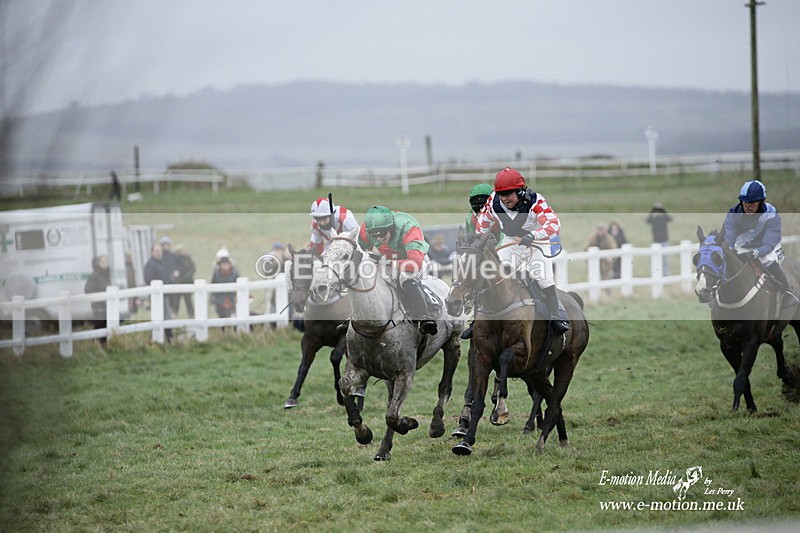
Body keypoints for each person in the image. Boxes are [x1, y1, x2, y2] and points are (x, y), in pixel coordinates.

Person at [475, 167, 569, 334]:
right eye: (501, 194)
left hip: (537, 243)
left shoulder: (536, 201)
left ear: (520, 191)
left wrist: (533, 235)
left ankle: (557, 318)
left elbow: (554, 224)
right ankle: (476, 320)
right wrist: (482, 241)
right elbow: (482, 224)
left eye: (508, 194)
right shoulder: (493, 201)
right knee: (493, 275)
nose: (504, 199)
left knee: (544, 279)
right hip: (511, 242)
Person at [357, 205, 439, 335]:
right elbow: (360, 252)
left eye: (382, 234)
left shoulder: (409, 229)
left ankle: (425, 317)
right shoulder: (366, 230)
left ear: (391, 227)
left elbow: (414, 264)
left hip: (415, 260)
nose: (379, 239)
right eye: (374, 235)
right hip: (388, 260)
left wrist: (387, 262)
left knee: (405, 279)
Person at [723, 179, 797, 306]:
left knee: (768, 260)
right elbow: (729, 237)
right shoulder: (733, 213)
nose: (747, 206)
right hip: (742, 247)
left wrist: (756, 253)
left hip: (766, 248)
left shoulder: (770, 213)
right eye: (745, 202)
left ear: (761, 202)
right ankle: (717, 292)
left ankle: (787, 292)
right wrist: (730, 250)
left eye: (752, 202)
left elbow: (770, 242)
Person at [144, 243, 173, 340]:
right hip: (157, 296)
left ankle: (166, 339)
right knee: (161, 317)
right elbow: (148, 279)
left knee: (166, 317)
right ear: (152, 252)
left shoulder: (163, 263)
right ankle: (167, 338)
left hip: (165, 295)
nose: (158, 253)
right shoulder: (150, 264)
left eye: (160, 251)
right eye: (156, 251)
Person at [84, 254, 111, 347]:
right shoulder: (94, 275)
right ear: (98, 263)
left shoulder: (106, 274)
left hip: (106, 304)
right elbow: (87, 289)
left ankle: (103, 345)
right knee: (100, 324)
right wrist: (98, 296)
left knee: (105, 324)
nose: (104, 263)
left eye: (106, 261)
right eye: (102, 261)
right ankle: (96, 342)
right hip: (98, 305)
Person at [646, 203, 672, 275]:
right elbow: (647, 220)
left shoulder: (664, 217)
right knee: (655, 259)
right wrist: (652, 214)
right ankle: (656, 274)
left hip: (665, 241)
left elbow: (670, 219)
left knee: (665, 260)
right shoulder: (653, 218)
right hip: (655, 242)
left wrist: (664, 213)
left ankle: (665, 275)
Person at [174, 244, 196, 316]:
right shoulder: (175, 259)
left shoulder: (187, 258)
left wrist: (187, 276)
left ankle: (191, 315)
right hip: (178, 283)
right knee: (176, 301)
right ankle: (174, 314)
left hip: (187, 282)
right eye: (181, 250)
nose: (183, 252)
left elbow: (192, 268)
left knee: (188, 301)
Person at [159, 236, 180, 313]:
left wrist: (177, 271)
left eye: (167, 245)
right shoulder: (160, 256)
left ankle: (173, 311)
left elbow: (178, 265)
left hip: (173, 279)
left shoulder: (173, 255)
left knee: (174, 297)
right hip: (164, 280)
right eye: (164, 245)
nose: (166, 247)